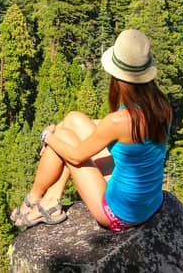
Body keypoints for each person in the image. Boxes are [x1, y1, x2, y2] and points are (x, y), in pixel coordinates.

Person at [11, 29, 172, 232]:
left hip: (120, 214)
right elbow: (105, 128)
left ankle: (34, 198)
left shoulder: (118, 121)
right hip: (149, 203)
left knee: (63, 139)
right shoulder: (162, 106)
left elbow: (76, 157)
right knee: (73, 119)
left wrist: (47, 136)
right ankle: (51, 200)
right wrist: (61, 128)